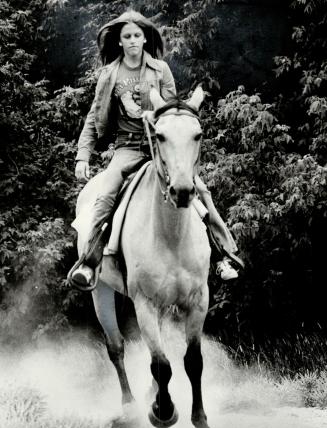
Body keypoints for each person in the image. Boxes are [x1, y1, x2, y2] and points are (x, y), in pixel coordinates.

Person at [70, 10, 242, 290]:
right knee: (107, 193)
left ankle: (224, 255)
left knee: (199, 189)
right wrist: (83, 154)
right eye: (127, 36)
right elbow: (94, 116)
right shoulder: (109, 74)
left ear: (145, 39)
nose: (133, 40)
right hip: (127, 147)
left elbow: (173, 111)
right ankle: (90, 263)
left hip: (161, 147)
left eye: (138, 35)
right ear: (120, 42)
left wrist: (160, 119)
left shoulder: (161, 69)